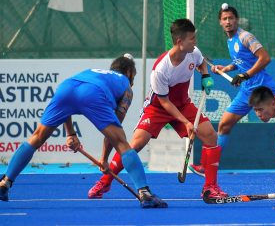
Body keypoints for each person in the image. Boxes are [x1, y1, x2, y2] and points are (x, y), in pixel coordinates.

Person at [0, 55, 167, 208]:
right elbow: (113, 136)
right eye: (134, 76)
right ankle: (144, 193)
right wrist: (104, 159)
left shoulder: (95, 73)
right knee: (123, 144)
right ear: (129, 72)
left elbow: (69, 103)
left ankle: (5, 182)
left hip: (66, 87)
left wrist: (71, 134)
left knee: (36, 137)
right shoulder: (126, 87)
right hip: (92, 93)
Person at [88, 19, 227, 200]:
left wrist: (206, 75)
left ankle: (210, 187)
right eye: (192, 39)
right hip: (158, 107)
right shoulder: (161, 69)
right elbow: (164, 102)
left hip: (183, 104)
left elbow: (201, 63)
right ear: (179, 42)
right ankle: (105, 181)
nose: (195, 42)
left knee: (210, 135)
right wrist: (185, 122)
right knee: (135, 145)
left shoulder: (193, 52)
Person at [190, 3, 275, 176]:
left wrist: (245, 75)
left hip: (263, 89)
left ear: (236, 20)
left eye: (231, 18)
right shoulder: (230, 41)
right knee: (224, 125)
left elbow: (265, 58)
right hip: (247, 91)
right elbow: (241, 61)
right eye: (225, 19)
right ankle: (208, 166)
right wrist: (227, 69)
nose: (228, 21)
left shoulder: (246, 37)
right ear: (220, 22)